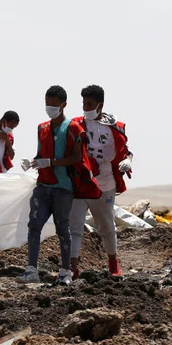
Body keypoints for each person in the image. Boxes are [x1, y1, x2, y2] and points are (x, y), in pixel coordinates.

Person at [19, 85, 101, 285]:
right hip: (43, 184)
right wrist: (33, 162)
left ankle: (65, 272)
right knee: (34, 225)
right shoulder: (42, 128)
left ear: (64, 105)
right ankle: (31, 270)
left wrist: (52, 162)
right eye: (47, 104)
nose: (50, 107)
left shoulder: (73, 129)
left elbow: (76, 157)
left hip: (63, 187)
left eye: (54, 104)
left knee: (62, 228)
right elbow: (41, 155)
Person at [69, 84, 134, 279]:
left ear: (100, 104)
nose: (86, 108)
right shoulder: (75, 124)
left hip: (105, 182)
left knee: (106, 224)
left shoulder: (116, 127)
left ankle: (113, 263)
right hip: (81, 181)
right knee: (75, 225)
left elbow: (126, 150)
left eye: (90, 104)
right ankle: (72, 266)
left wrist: (127, 160)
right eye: (83, 104)